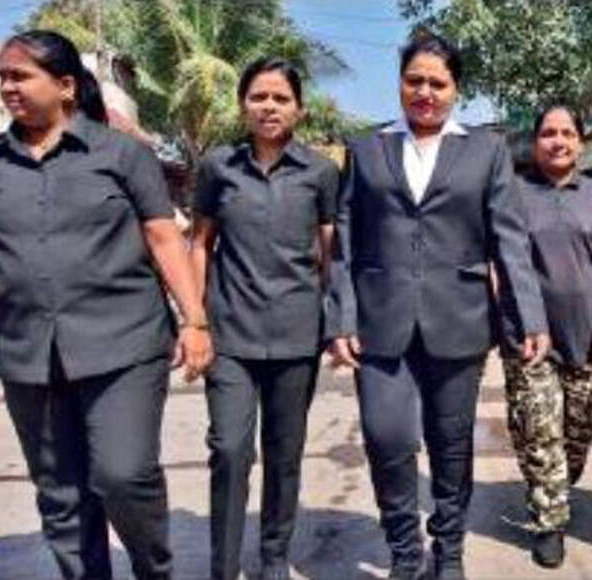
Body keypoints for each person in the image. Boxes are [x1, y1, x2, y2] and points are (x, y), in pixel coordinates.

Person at [0, 30, 212, 580]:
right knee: (60, 493)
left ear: (65, 86)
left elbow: (163, 238)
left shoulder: (122, 154)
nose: (7, 87)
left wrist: (195, 321)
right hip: (28, 352)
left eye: (20, 75)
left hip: (123, 344)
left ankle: (153, 569)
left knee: (124, 476)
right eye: (3, 76)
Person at [327, 33, 549, 580]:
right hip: (380, 321)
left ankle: (448, 551)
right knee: (387, 437)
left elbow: (509, 238)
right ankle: (405, 553)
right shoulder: (366, 148)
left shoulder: (486, 150)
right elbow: (345, 243)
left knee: (451, 445)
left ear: (456, 90)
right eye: (415, 81)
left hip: (460, 318)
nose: (425, 92)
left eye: (437, 83)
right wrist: (341, 316)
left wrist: (530, 316)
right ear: (400, 83)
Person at [190, 57, 339, 580]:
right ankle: (224, 565)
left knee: (284, 454)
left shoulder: (321, 172)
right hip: (230, 335)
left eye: (280, 98)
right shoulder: (218, 168)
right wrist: (194, 320)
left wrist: (336, 324)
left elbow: (330, 254)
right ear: (242, 105)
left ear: (299, 108)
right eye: (258, 97)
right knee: (230, 450)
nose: (269, 107)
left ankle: (274, 556)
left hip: (297, 337)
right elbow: (200, 244)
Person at [500, 103, 592, 568]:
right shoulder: (512, 194)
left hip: (585, 337)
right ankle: (549, 523)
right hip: (528, 338)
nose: (559, 141)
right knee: (539, 429)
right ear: (535, 142)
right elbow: (496, 260)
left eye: (568, 133)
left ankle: (557, 488)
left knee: (577, 434)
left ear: (581, 144)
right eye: (549, 133)